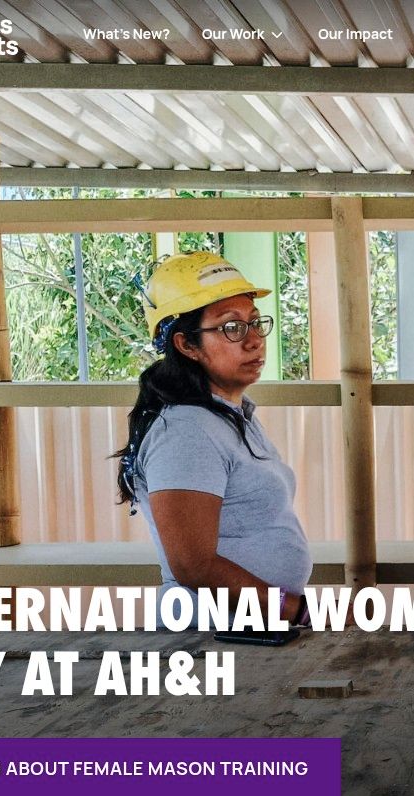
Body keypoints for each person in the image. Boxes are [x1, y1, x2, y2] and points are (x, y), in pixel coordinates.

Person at [113, 251, 308, 627]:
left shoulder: (230, 416)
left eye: (255, 323)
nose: (254, 341)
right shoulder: (186, 431)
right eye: (231, 328)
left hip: (243, 634)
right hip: (208, 639)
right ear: (186, 345)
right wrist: (299, 612)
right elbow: (193, 566)